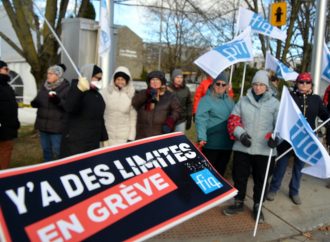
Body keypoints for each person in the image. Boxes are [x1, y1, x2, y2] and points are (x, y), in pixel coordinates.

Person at [223, 70, 279, 223]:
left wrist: (276, 138)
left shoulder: (275, 104)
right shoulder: (243, 101)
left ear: (267, 87)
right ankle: (239, 202)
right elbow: (233, 120)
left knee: (261, 180)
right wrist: (240, 134)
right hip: (243, 148)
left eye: (261, 85)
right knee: (239, 177)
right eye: (255, 84)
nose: (258, 87)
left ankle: (257, 206)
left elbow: (280, 126)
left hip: (265, 150)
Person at [267, 72, 330, 202]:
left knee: (299, 168)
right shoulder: (290, 97)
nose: (304, 85)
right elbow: (281, 116)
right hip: (289, 138)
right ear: (297, 83)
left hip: (305, 141)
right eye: (301, 82)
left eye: (307, 82)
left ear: (311, 84)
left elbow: (325, 116)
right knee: (281, 165)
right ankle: (273, 189)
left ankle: (294, 191)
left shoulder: (316, 99)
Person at [60, 64, 109, 157]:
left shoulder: (98, 95)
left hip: (92, 142)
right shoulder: (75, 89)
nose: (99, 81)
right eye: (96, 78)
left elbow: (100, 118)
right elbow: (69, 107)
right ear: (88, 75)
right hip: (76, 143)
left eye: (100, 79)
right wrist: (79, 90)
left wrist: (104, 138)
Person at [195, 71, 234, 176]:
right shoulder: (206, 100)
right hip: (212, 144)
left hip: (226, 145)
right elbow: (201, 119)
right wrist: (202, 137)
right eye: (218, 83)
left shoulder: (230, 101)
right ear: (213, 84)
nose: (220, 86)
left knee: (220, 174)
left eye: (223, 84)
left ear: (227, 86)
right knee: (208, 174)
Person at [31, 65, 69, 162]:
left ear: (58, 75)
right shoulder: (44, 87)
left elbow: (68, 107)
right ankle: (47, 171)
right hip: (43, 126)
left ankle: (59, 172)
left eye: (51, 74)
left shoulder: (66, 88)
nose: (48, 76)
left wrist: (58, 101)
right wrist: (35, 102)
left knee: (57, 151)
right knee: (46, 151)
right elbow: (38, 99)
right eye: (48, 73)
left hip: (57, 127)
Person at [132, 70, 182, 139]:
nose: (155, 82)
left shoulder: (170, 96)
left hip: (160, 135)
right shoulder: (143, 93)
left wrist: (170, 121)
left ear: (162, 82)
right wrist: (147, 94)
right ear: (149, 82)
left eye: (157, 80)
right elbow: (134, 103)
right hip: (143, 135)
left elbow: (177, 110)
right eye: (152, 80)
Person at [101, 66, 137, 146]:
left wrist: (131, 137)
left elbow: (133, 118)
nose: (120, 82)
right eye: (118, 79)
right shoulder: (105, 92)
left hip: (123, 138)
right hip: (107, 135)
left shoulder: (131, 95)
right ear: (114, 80)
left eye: (123, 79)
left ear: (127, 81)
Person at [0, 60, 20, 169]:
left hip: (8, 127)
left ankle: (4, 176)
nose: (8, 71)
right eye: (6, 69)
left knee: (6, 151)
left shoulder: (7, 86)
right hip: (2, 127)